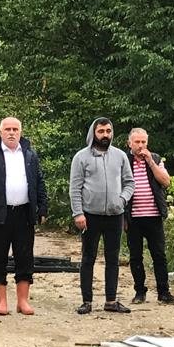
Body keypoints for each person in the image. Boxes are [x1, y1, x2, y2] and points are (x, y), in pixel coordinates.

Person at [0, 117, 49, 315]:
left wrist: (42, 207)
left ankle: (22, 301)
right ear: (0, 132)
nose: (12, 132)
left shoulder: (30, 155)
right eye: (7, 129)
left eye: (15, 129)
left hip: (24, 213)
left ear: (21, 132)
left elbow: (39, 182)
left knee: (25, 257)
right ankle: (1, 301)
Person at [69, 117, 135, 314]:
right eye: (101, 131)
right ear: (93, 133)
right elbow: (75, 188)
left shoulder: (120, 156)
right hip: (90, 215)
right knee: (88, 258)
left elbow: (129, 183)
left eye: (108, 131)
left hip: (115, 215)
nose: (105, 135)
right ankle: (87, 301)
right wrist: (78, 213)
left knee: (113, 258)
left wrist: (122, 200)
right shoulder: (81, 157)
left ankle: (111, 301)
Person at [126, 128, 174, 305]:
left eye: (144, 142)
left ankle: (164, 292)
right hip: (133, 217)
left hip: (154, 216)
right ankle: (139, 292)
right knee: (135, 256)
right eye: (137, 142)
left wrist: (150, 162)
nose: (141, 146)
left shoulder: (155, 158)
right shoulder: (124, 161)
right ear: (130, 144)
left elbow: (166, 182)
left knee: (159, 255)